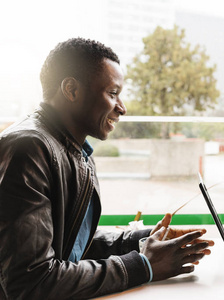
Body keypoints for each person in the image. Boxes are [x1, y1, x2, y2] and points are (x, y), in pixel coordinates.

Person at [0, 37, 213, 299]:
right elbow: (31, 281)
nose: (121, 108)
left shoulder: (77, 151)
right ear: (71, 90)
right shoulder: (28, 149)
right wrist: (143, 265)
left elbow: (69, 244)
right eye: (112, 94)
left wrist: (143, 241)